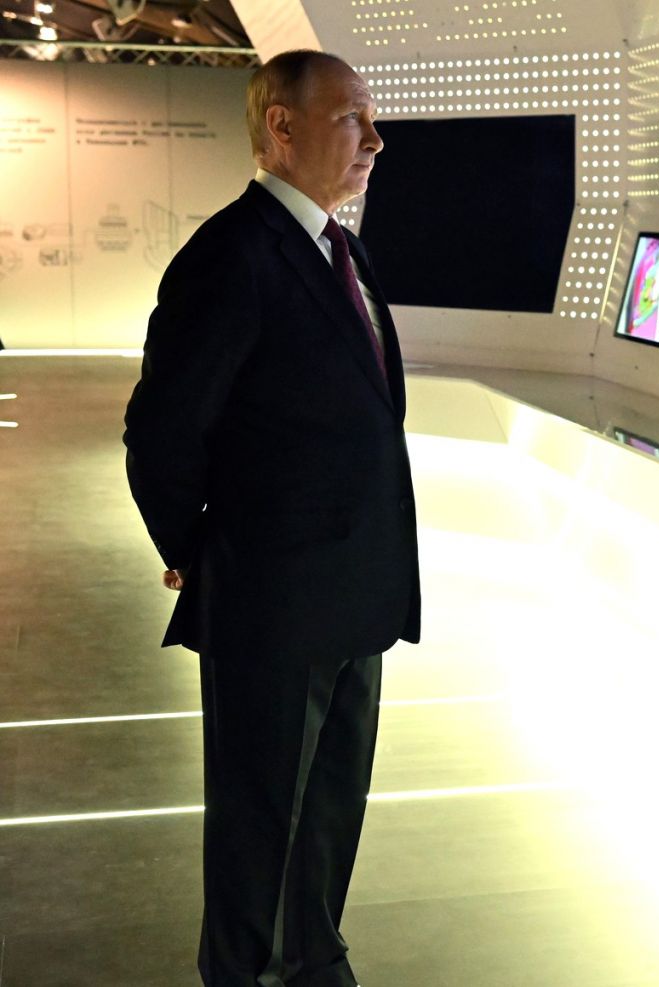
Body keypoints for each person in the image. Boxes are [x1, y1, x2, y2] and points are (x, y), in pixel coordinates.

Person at [123, 49, 419, 987]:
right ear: (281, 127)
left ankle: (314, 964)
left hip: (352, 596)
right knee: (261, 829)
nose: (375, 139)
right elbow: (162, 433)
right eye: (352, 118)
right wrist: (202, 549)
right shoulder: (230, 256)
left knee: (327, 817)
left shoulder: (341, 249)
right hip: (273, 603)